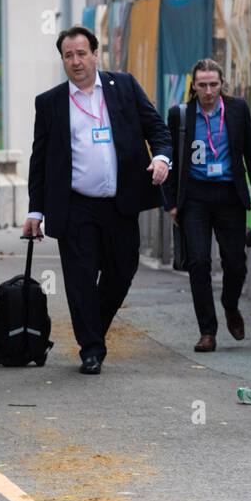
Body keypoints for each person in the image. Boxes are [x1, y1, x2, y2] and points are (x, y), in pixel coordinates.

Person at [23, 25, 171, 375]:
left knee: (122, 271)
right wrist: (35, 209)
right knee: (80, 278)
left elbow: (157, 129)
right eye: (68, 56)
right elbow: (39, 159)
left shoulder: (124, 87)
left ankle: (93, 328)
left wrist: (162, 158)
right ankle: (91, 348)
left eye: (81, 53)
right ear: (63, 60)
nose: (76, 61)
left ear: (95, 54)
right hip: (75, 205)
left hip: (120, 203)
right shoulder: (50, 103)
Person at [163, 58, 251, 353]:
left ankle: (230, 304)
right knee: (199, 262)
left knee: (235, 262)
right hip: (194, 197)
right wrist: (170, 203)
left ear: (222, 85)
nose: (208, 90)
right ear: (194, 86)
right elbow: (168, 159)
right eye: (202, 85)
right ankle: (207, 331)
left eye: (213, 84)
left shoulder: (237, 109)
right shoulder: (180, 115)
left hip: (229, 195)